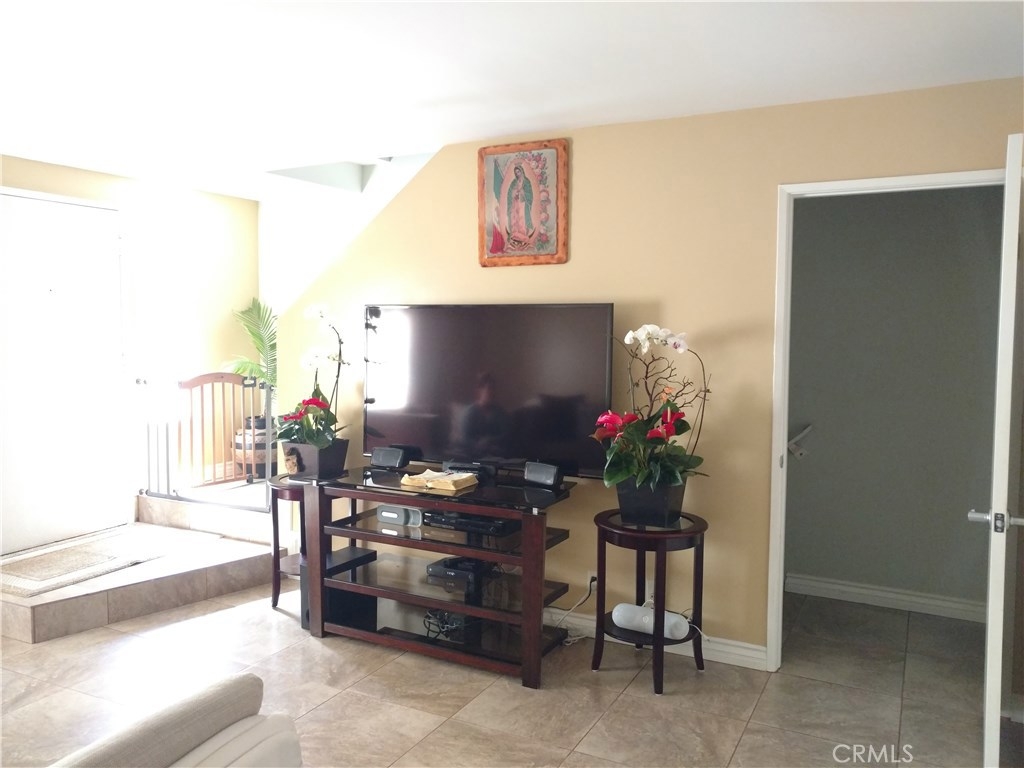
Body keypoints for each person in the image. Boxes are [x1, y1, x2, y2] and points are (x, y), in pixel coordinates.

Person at [506, 164, 534, 249]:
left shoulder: (526, 181)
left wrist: (522, 192)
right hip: (515, 203)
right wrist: (514, 193)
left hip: (522, 203)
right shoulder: (514, 182)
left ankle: (523, 237)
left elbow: (529, 193)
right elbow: (509, 193)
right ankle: (514, 235)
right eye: (516, 172)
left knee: (522, 219)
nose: (517, 174)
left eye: (518, 172)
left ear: (522, 171)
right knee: (515, 218)